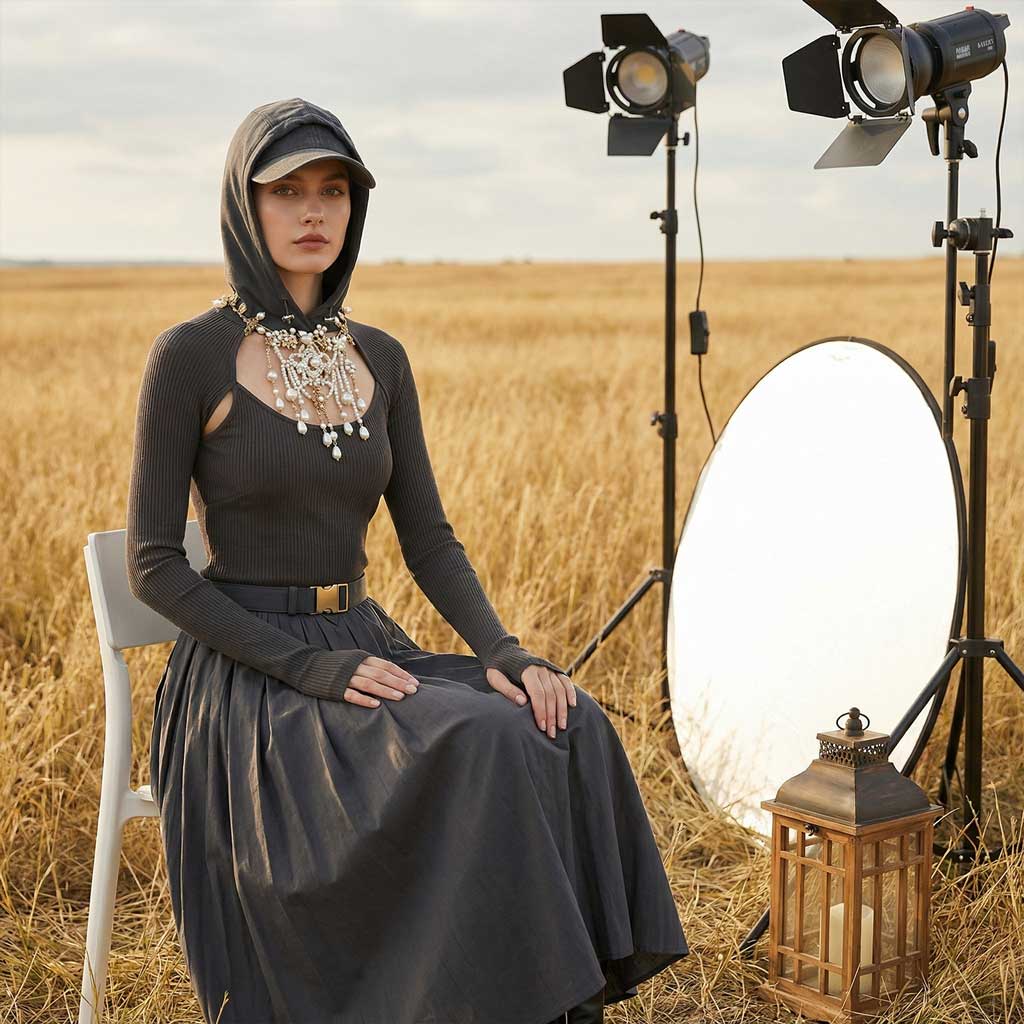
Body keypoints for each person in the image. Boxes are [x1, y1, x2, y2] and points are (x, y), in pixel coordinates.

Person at [126, 96, 688, 1024]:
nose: (314, 212)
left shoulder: (379, 358)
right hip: (252, 683)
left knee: (564, 721)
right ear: (243, 203)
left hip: (363, 641)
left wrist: (507, 650)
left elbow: (426, 536)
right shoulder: (190, 356)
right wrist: (309, 664)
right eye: (288, 191)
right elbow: (154, 565)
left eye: (335, 191)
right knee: (485, 741)